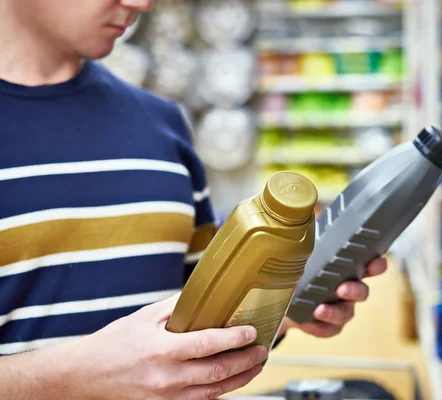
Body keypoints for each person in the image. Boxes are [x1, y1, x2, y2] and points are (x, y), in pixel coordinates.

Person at [0, 0, 388, 398]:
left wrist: (278, 308)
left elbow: (193, 320)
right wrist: (74, 376)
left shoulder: (160, 124)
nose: (142, 3)